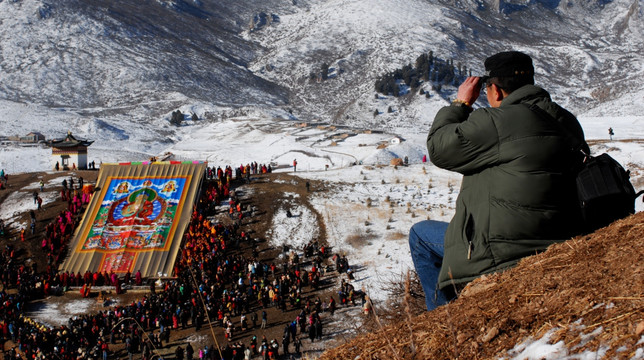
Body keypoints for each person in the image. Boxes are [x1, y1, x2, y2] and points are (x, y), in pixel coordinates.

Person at [410, 51, 589, 311]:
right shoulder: (566, 120)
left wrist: (461, 103)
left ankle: (441, 317)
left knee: (419, 235)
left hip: (503, 251)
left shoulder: (496, 121)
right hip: (559, 236)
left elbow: (439, 148)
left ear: (495, 90)